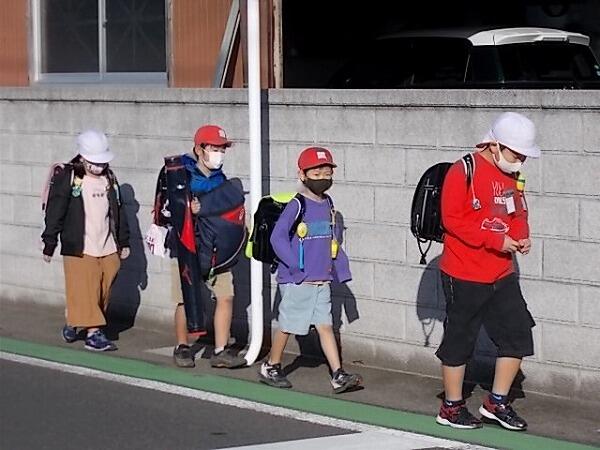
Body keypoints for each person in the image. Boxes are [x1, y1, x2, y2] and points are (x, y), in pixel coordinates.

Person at [435, 112, 539, 431]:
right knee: (459, 341)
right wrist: (496, 240)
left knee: (517, 336)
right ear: (494, 145)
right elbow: (452, 220)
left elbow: (517, 212)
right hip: (463, 272)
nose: (520, 160)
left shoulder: (513, 175)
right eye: (516, 153)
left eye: (524, 155)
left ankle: (496, 403)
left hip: (501, 274)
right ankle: (451, 407)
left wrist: (521, 236)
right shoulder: (462, 170)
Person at [259, 146, 363, 394]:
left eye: (327, 173)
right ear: (302, 175)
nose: (323, 178)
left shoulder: (328, 203)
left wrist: (338, 268)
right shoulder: (297, 205)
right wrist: (296, 268)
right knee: (289, 324)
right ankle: (271, 365)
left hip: (321, 279)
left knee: (325, 325)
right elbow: (277, 238)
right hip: (298, 279)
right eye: (316, 174)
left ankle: (338, 374)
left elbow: (331, 240)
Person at [160, 125, 246, 369]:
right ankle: (182, 346)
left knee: (226, 296)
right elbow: (166, 210)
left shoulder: (221, 180)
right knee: (185, 299)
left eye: (222, 149)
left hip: (218, 251)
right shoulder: (179, 175)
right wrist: (186, 208)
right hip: (186, 247)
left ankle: (220, 350)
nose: (219, 154)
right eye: (215, 148)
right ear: (199, 149)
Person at [42, 129, 130, 351]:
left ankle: (74, 320)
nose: (99, 167)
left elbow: (119, 211)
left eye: (102, 163)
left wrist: (124, 241)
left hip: (107, 245)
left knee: (103, 286)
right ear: (82, 158)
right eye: (95, 163)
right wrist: (49, 242)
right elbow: (55, 211)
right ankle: (93, 333)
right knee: (87, 288)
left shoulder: (110, 178)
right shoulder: (69, 177)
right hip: (80, 245)